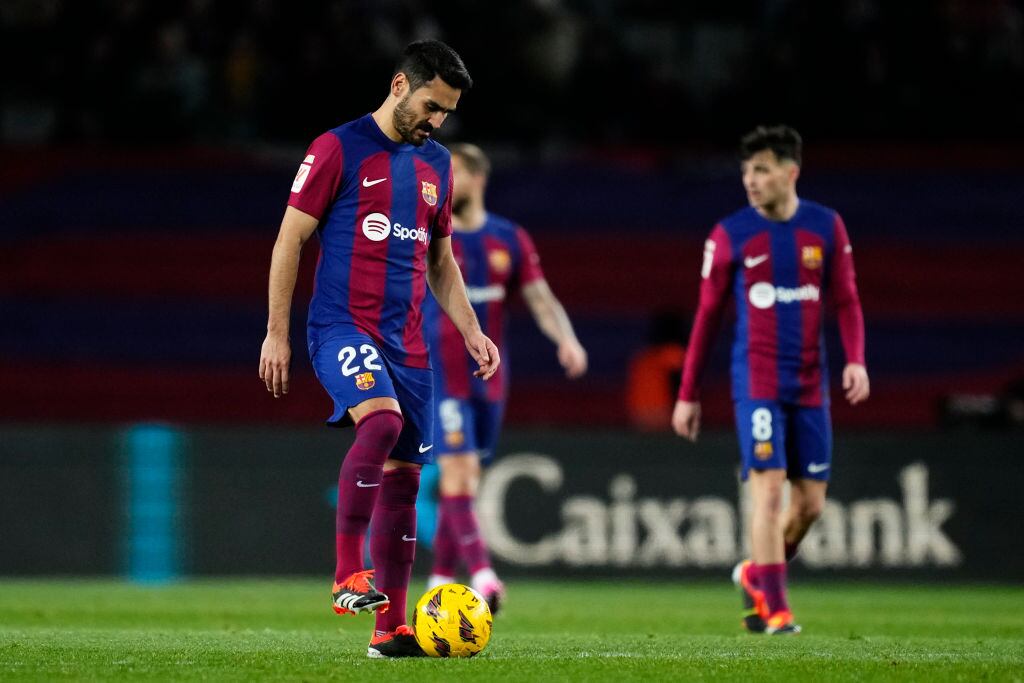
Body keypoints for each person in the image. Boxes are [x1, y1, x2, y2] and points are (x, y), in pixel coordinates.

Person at [258, 40, 499, 659]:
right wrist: (276, 331)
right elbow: (290, 240)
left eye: (445, 112)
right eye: (430, 105)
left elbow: (440, 262)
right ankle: (346, 576)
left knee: (407, 478)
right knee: (383, 422)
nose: (435, 121)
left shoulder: (438, 165)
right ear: (399, 85)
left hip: (409, 344)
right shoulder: (336, 147)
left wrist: (471, 329)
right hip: (341, 327)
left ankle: (389, 629)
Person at [672, 125, 869, 635]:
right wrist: (688, 393)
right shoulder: (730, 234)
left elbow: (846, 298)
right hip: (756, 382)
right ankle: (775, 609)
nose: (750, 180)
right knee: (769, 491)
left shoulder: (826, 227)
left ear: (790, 172)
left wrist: (856, 359)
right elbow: (707, 317)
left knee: (810, 506)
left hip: (810, 384)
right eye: (746, 171)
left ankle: (755, 574)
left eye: (761, 170)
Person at [422, 143, 587, 612]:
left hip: (490, 378)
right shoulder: (432, 235)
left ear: (477, 178)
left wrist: (567, 340)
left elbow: (540, 298)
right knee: (458, 470)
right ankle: (484, 577)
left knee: (467, 481)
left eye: (452, 174)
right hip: (443, 373)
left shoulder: (508, 239)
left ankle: (437, 580)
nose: (443, 184)